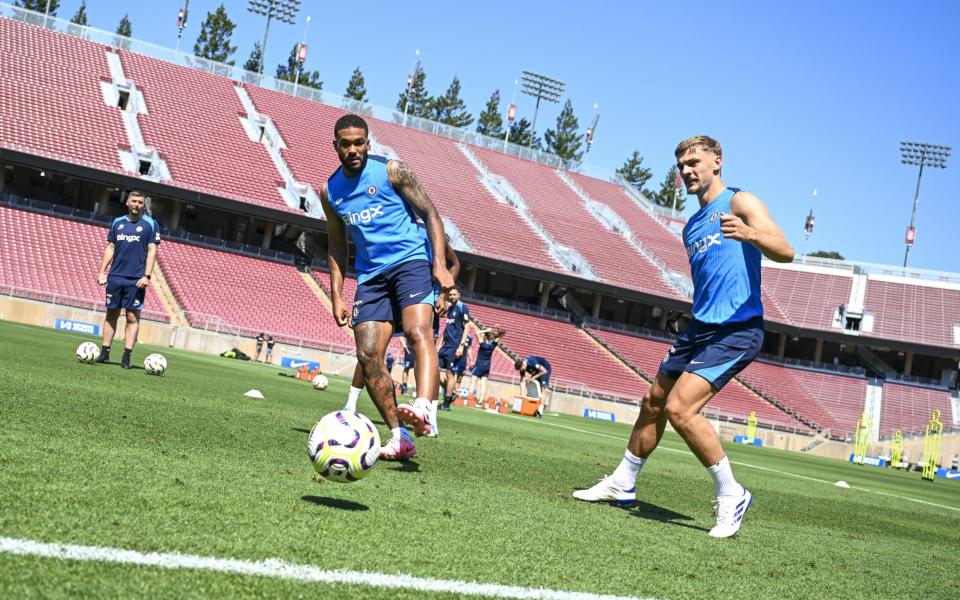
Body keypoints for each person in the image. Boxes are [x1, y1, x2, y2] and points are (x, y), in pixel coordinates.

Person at [573, 136, 794, 539]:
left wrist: (750, 235)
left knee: (680, 408)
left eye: (694, 162)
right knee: (653, 400)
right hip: (700, 328)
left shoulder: (740, 202)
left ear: (717, 162)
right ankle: (623, 481)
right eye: (681, 166)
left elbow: (786, 250)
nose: (687, 171)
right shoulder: (692, 225)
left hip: (738, 328)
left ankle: (733, 493)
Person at [322, 114, 454, 461]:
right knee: (367, 355)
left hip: (410, 262)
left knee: (416, 331)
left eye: (359, 142)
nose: (353, 149)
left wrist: (438, 265)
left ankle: (424, 408)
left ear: (369, 142)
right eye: (346, 143)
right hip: (371, 277)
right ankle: (399, 435)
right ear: (335, 145)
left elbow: (432, 215)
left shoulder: (393, 172)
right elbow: (337, 247)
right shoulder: (330, 191)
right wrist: (336, 295)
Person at [343, 243, 458, 413]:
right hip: (390, 294)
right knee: (372, 350)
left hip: (423, 299)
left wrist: (442, 294)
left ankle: (428, 413)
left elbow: (455, 264)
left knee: (425, 352)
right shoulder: (399, 231)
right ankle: (350, 404)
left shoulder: (433, 234)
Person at [95, 190, 160, 368]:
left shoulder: (150, 224)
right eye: (134, 201)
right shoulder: (117, 222)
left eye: (140, 202)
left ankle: (126, 357)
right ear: (127, 202)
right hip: (115, 277)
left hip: (136, 279)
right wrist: (102, 272)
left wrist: (147, 276)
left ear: (143, 204)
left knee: (132, 316)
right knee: (111, 314)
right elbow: (111, 247)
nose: (136, 204)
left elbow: (152, 250)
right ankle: (105, 354)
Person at [437, 288, 471, 411]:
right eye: (450, 294)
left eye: (454, 294)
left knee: (450, 373)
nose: (451, 296)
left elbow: (467, 327)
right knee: (434, 369)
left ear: (459, 295)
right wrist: (439, 345)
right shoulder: (450, 308)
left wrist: (461, 346)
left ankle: (446, 403)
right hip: (445, 346)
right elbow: (446, 329)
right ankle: (451, 393)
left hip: (455, 346)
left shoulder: (463, 308)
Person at [468, 326, 506, 406]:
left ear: (485, 336)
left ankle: (469, 398)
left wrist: (486, 330)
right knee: (483, 384)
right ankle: (480, 401)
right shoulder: (493, 345)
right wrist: (498, 330)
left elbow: (477, 333)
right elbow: (501, 335)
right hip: (487, 367)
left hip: (479, 366)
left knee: (473, 382)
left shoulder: (483, 344)